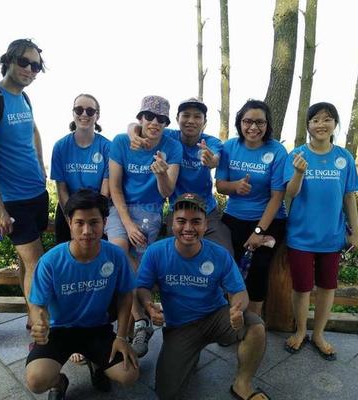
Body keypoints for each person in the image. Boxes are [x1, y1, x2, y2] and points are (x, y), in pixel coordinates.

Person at [137, 193, 269, 400]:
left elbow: (239, 291)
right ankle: (191, 351)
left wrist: (237, 308)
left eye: (196, 221)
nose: (188, 228)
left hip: (216, 316)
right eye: (181, 221)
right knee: (167, 393)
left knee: (256, 327)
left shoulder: (219, 254)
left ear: (206, 225)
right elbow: (142, 286)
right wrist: (148, 305)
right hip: (180, 326)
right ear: (172, 223)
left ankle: (242, 384)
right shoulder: (156, 252)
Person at [25, 189, 139, 399]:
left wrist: (122, 337)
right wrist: (40, 322)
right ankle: (59, 382)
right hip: (60, 330)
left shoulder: (115, 256)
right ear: (69, 223)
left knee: (129, 375)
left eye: (94, 222)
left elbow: (126, 295)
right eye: (79, 223)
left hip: (97, 328)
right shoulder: (51, 261)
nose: (87, 231)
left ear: (104, 223)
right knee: (36, 380)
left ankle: (97, 365)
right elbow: (37, 303)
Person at [0, 39, 48, 326]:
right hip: (13, 199)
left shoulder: (24, 98)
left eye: (36, 66)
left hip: (36, 193)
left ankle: (31, 315)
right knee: (37, 263)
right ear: (9, 60)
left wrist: (40, 164)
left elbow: (34, 131)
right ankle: (41, 327)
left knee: (26, 261)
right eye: (24, 62)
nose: (30, 69)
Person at [106, 95, 182, 357]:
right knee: (118, 252)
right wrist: (127, 224)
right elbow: (114, 187)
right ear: (140, 118)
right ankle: (141, 319)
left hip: (151, 210)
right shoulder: (121, 141)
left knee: (138, 269)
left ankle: (133, 330)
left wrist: (160, 173)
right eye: (149, 116)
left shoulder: (172, 146)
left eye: (161, 119)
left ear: (166, 123)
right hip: (120, 208)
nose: (154, 122)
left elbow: (167, 191)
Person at [283, 102, 358, 360]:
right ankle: (301, 331)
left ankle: (318, 334)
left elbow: (349, 196)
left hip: (332, 236)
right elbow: (290, 193)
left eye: (327, 119)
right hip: (301, 236)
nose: (321, 124)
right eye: (315, 120)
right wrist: (299, 172)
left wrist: (355, 231)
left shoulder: (344, 158)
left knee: (327, 286)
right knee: (302, 287)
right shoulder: (297, 155)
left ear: (335, 124)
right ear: (308, 125)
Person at [128, 97, 233, 254]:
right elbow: (135, 126)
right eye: (186, 115)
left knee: (223, 251)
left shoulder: (211, 142)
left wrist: (211, 160)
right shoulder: (169, 137)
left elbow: (215, 158)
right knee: (179, 254)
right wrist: (133, 135)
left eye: (197, 116)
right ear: (177, 119)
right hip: (177, 209)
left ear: (204, 122)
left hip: (207, 210)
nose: (191, 121)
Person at [215, 99, 287, 316]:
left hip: (268, 220)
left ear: (267, 124)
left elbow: (277, 196)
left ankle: (254, 324)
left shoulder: (277, 150)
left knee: (258, 269)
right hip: (234, 217)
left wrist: (258, 231)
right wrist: (235, 186)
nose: (253, 127)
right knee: (228, 269)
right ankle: (231, 320)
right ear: (240, 123)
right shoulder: (230, 147)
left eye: (259, 122)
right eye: (247, 121)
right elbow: (220, 186)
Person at [51, 93, 110, 244]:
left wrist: (99, 220)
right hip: (68, 209)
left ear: (97, 116)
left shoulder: (107, 147)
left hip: (96, 208)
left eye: (90, 111)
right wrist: (70, 222)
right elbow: (61, 189)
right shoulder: (60, 147)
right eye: (79, 110)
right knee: (66, 253)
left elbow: (105, 191)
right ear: (73, 113)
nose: (84, 114)